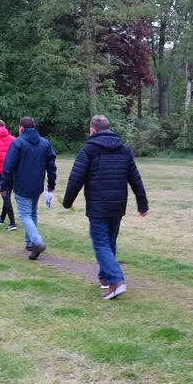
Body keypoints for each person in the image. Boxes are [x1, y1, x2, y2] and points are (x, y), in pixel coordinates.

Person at [63, 115, 149, 300]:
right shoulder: (125, 150)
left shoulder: (88, 150)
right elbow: (135, 179)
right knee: (109, 241)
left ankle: (117, 280)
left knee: (101, 243)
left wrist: (67, 201)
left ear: (92, 130)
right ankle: (105, 278)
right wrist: (142, 203)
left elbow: (75, 179)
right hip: (117, 205)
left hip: (98, 205)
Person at [0, 117, 57, 260]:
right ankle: (30, 243)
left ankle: (37, 242)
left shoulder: (18, 143)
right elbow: (51, 166)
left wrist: (3, 185)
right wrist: (51, 184)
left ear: (21, 128)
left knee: (24, 215)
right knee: (32, 213)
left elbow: (8, 165)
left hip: (22, 185)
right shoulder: (45, 143)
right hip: (37, 185)